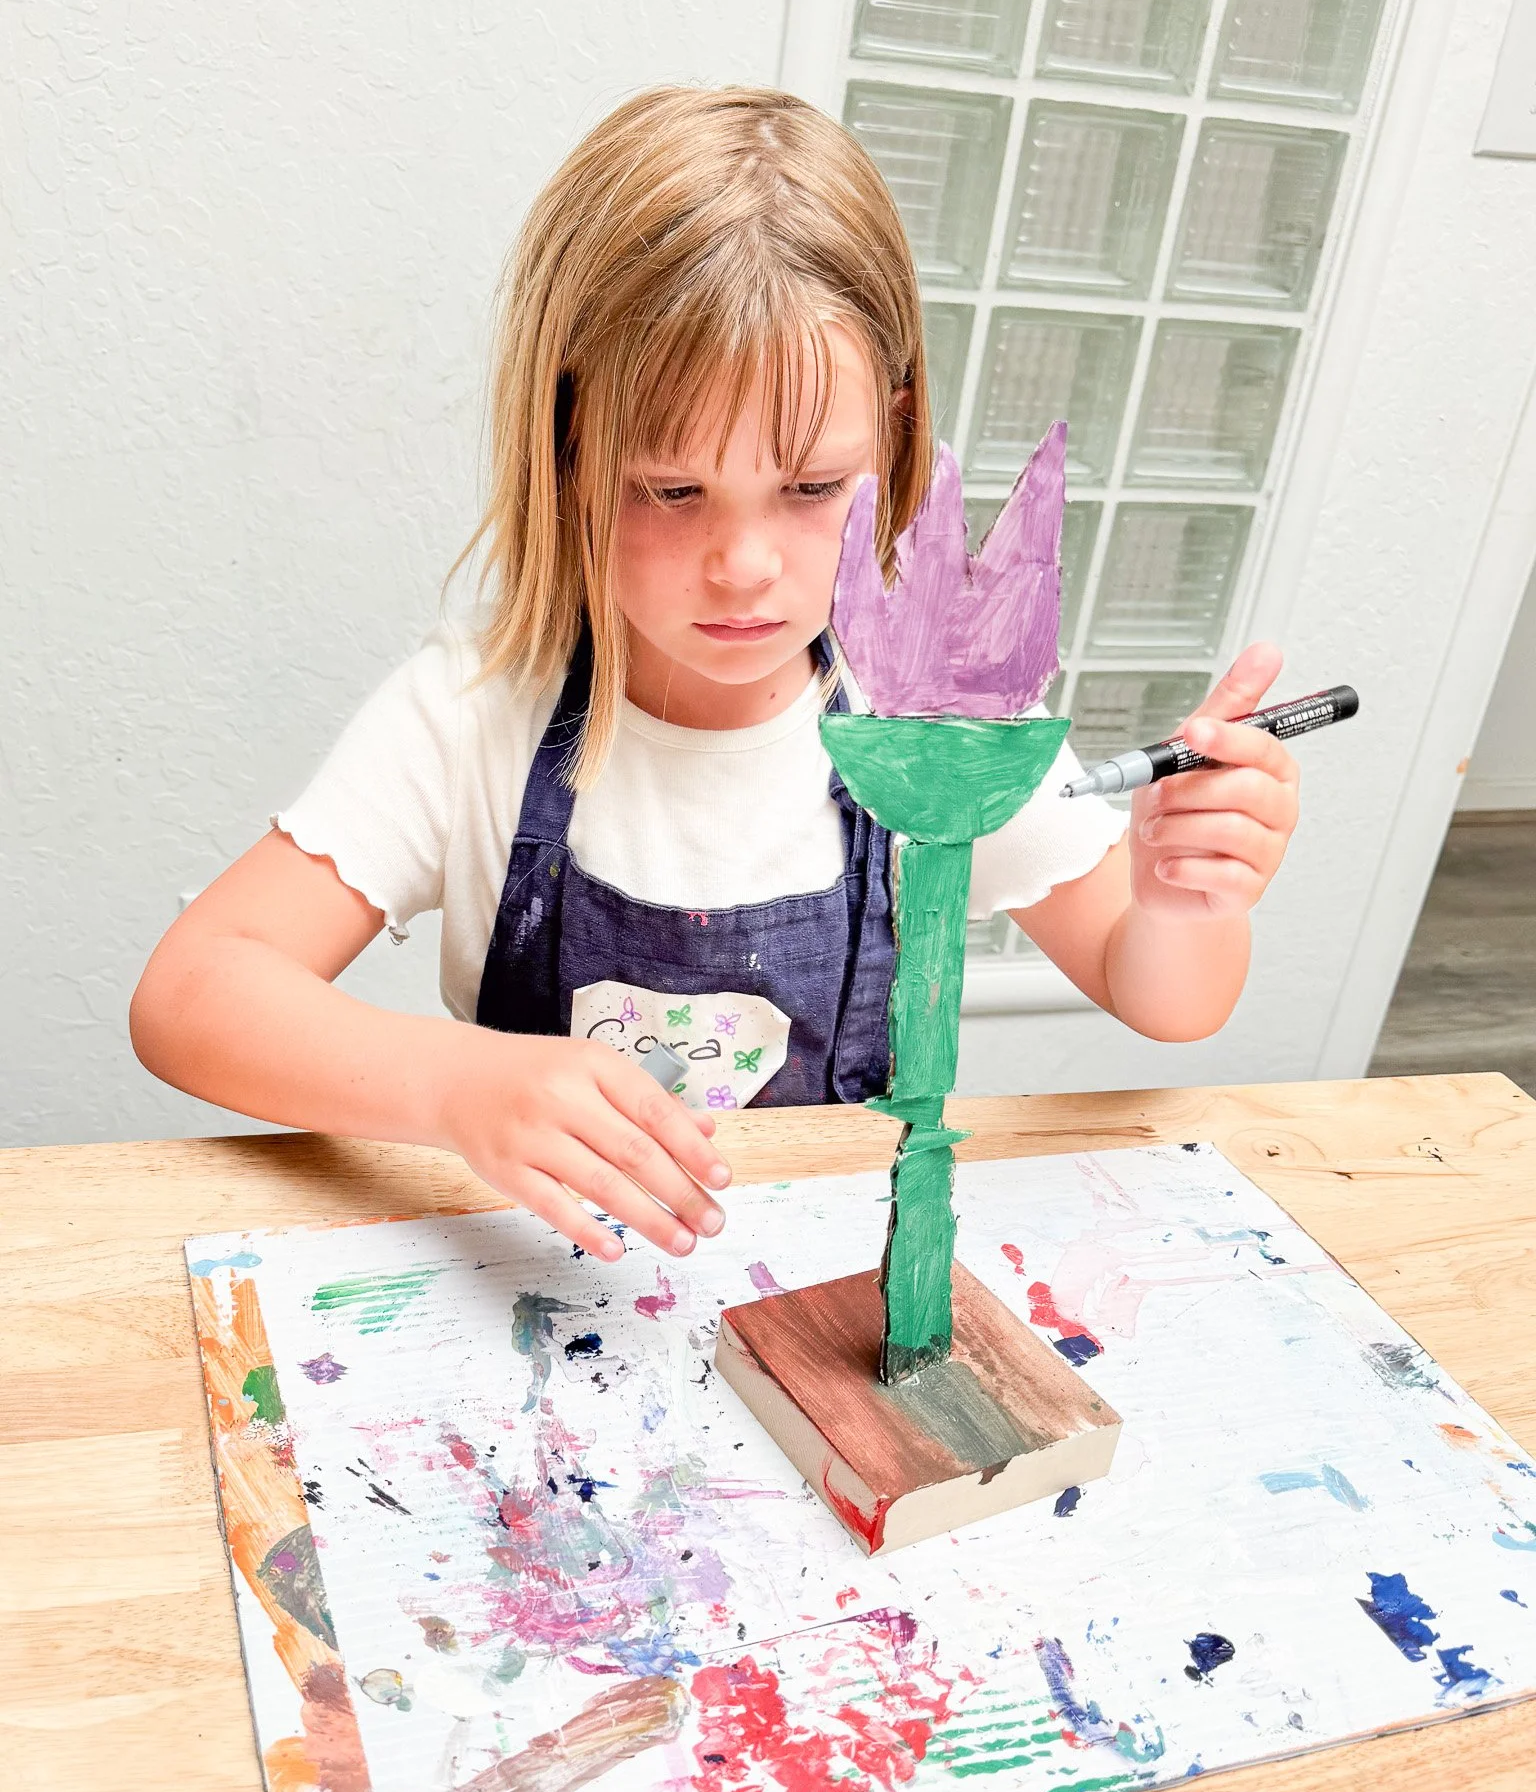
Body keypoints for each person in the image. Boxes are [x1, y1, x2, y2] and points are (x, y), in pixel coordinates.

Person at [131, 86, 1300, 1267]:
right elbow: (192, 994)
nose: (744, 566)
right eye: (673, 490)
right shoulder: (476, 710)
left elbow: (1163, 997)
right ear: (570, 444)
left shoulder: (936, 717)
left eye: (810, 488)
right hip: (531, 1296)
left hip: (827, 1307)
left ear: (891, 442)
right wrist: (458, 1085)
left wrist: (1185, 903)